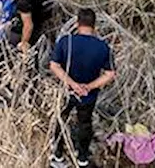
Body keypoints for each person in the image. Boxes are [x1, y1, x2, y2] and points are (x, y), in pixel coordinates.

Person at [49, 9, 116, 168]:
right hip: (88, 95)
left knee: (61, 119)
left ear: (77, 23)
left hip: (66, 91)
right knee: (85, 123)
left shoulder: (66, 41)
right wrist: (89, 86)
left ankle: (58, 156)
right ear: (94, 26)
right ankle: (82, 158)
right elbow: (110, 74)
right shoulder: (103, 47)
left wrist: (72, 84)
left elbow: (54, 66)